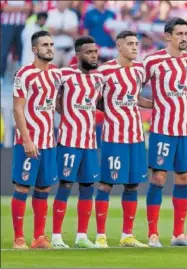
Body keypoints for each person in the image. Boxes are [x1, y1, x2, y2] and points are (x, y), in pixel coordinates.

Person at [93, 30, 153, 248]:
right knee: (107, 184)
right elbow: (94, 99)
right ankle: (100, 236)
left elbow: (136, 98)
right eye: (130, 44)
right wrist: (110, 109)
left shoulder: (139, 70)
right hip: (114, 136)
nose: (135, 47)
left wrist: (158, 104)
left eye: (136, 44)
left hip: (136, 136)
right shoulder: (105, 71)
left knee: (132, 185)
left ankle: (127, 235)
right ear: (119, 47)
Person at [143, 17, 187, 247]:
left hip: (186, 129)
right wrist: (152, 104)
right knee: (158, 177)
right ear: (168, 36)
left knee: (185, 177)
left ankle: (178, 234)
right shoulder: (153, 61)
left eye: (186, 34)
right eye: (179, 34)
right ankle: (153, 234)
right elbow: (132, 86)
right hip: (162, 129)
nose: (184, 38)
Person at [50, 36, 104, 249]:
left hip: (90, 142)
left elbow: (99, 102)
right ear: (78, 55)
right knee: (65, 185)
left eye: (95, 51)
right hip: (69, 140)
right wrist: (66, 113)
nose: (93, 55)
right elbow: (50, 91)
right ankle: (56, 237)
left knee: (88, 187)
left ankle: (82, 235)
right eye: (89, 52)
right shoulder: (64, 74)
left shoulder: (98, 78)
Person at [11, 30, 61, 249]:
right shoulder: (24, 74)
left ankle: (39, 237)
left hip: (49, 142)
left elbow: (58, 104)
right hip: (28, 142)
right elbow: (17, 110)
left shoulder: (56, 74)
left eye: (51, 44)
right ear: (34, 49)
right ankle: (19, 237)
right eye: (45, 45)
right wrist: (27, 139)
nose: (50, 48)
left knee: (43, 189)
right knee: (22, 187)